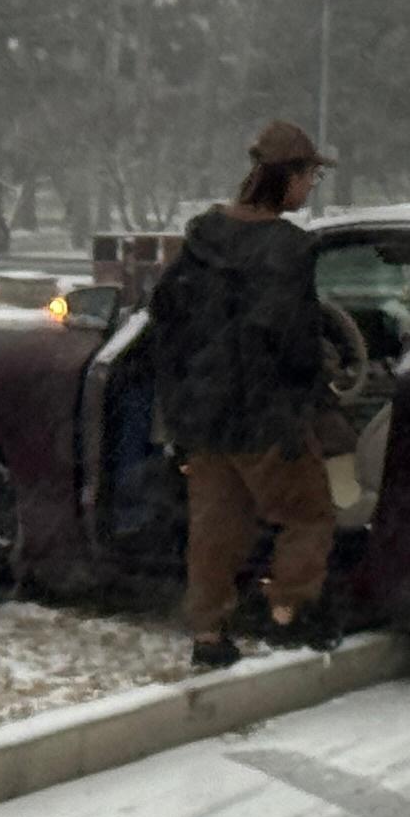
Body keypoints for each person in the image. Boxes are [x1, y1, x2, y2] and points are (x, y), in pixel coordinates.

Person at [142, 120, 347, 671]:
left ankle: (209, 635)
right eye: (310, 177)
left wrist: (184, 393)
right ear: (289, 178)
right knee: (307, 515)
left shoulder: (203, 236)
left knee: (215, 528)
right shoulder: (287, 249)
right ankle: (289, 611)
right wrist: (313, 396)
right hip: (265, 417)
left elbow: (164, 313)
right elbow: (294, 341)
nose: (310, 189)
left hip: (205, 416)